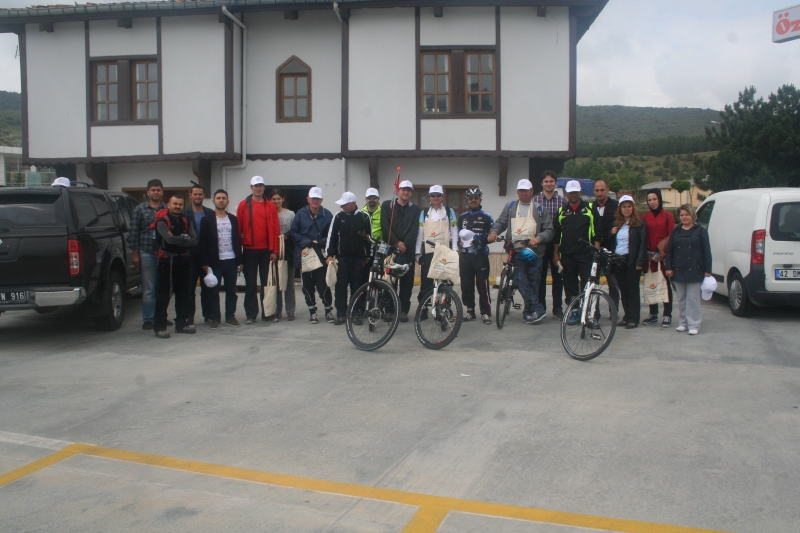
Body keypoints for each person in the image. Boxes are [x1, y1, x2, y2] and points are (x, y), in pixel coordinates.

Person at [488, 179, 554, 324]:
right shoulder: (511, 207)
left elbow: (549, 230)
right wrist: (494, 232)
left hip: (535, 251)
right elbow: (501, 222)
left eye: (526, 190)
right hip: (516, 250)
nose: (523, 193)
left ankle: (529, 312)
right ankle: (537, 307)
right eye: (520, 190)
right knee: (519, 279)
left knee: (534, 282)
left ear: (532, 191)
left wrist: (539, 238)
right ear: (517, 192)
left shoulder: (540, 209)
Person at [553, 180, 603, 326]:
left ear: (580, 192)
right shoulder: (562, 211)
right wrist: (556, 254)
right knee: (570, 285)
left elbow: (597, 232)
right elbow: (557, 235)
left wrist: (597, 252)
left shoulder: (590, 209)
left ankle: (592, 314)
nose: (573, 195)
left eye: (576, 192)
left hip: (586, 254)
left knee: (589, 284)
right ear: (566, 194)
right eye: (570, 192)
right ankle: (574, 311)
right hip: (567, 255)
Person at [236, 176, 280, 325]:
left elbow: (275, 229)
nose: (258, 188)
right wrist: (239, 253)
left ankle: (267, 313)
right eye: (256, 186)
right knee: (250, 284)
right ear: (251, 188)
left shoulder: (270, 206)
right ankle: (251, 314)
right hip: (249, 250)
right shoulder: (243, 205)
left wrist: (274, 251)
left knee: (267, 284)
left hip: (266, 251)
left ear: (264, 187)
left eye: (260, 185)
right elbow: (238, 228)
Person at [153, 196, 197, 338]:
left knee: (184, 295)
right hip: (167, 263)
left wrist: (177, 240)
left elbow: (194, 241)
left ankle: (181, 324)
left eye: (180, 204)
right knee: (163, 296)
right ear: (168, 204)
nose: (177, 206)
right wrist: (184, 238)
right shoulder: (162, 221)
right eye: (175, 204)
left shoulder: (186, 221)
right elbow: (168, 239)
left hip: (183, 262)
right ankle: (159, 326)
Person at [288, 187, 334, 324]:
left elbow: (332, 235)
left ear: (321, 200)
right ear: (308, 199)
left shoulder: (327, 215)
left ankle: (328, 309)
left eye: (318, 199)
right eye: (313, 198)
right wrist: (307, 242)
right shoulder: (300, 214)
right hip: (305, 255)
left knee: (323, 284)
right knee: (307, 285)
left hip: (320, 255)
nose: (315, 201)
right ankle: (312, 311)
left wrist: (322, 242)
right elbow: (293, 233)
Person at [326, 192, 372, 325]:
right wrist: (329, 254)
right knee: (341, 286)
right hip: (342, 258)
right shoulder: (338, 216)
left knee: (357, 287)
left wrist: (368, 255)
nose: (341, 206)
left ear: (352, 204)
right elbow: (332, 236)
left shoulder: (364, 217)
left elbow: (369, 237)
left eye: (344, 204)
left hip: (359, 259)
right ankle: (341, 313)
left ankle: (356, 313)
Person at [665, 204, 712, 335]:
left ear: (693, 215)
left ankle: (694, 324)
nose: (684, 217)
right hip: (678, 268)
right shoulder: (676, 231)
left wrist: (707, 270)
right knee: (681, 298)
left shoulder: (701, 231)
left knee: (693, 299)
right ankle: (683, 323)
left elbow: (707, 251)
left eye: (687, 214)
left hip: (695, 269)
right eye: (682, 215)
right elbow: (670, 251)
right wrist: (668, 267)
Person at [199, 189, 242, 329]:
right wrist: (205, 263)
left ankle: (230, 317)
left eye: (223, 198)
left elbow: (237, 240)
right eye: (218, 198)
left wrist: (239, 260)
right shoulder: (207, 220)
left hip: (231, 260)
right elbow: (202, 242)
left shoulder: (233, 219)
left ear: (227, 201)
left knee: (231, 291)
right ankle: (215, 318)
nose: (221, 200)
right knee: (213, 291)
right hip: (214, 262)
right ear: (214, 201)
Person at [380, 180, 421, 322]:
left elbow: (414, 229)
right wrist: (396, 242)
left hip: (407, 251)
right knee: (390, 281)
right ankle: (390, 310)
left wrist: (404, 244)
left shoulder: (415, 209)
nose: (406, 192)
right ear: (398, 190)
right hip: (391, 249)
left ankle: (403, 310)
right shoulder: (387, 205)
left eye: (409, 190)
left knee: (406, 282)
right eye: (403, 189)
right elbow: (385, 227)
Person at [415, 185, 458, 318]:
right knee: (426, 283)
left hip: (445, 251)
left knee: (445, 281)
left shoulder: (449, 212)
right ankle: (423, 309)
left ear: (442, 197)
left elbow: (454, 231)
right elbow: (420, 234)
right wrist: (417, 252)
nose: (435, 198)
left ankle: (444, 308)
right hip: (428, 252)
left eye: (438, 195)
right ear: (429, 198)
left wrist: (455, 249)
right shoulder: (424, 213)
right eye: (433, 195)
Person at [130, 179, 167, 330]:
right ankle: (148, 319)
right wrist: (136, 254)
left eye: (158, 190)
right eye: (153, 190)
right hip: (147, 252)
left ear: (162, 192)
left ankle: (160, 317)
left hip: (164, 253)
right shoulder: (139, 209)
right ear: (148, 192)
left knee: (163, 288)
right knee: (149, 288)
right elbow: (134, 233)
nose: (156, 192)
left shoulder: (167, 208)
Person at [533, 171, 568, 320]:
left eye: (551, 181)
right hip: (539, 244)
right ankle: (541, 306)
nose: (548, 184)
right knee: (539, 278)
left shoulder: (562, 202)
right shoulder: (535, 201)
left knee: (558, 278)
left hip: (557, 245)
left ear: (555, 183)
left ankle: (558, 308)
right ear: (542, 183)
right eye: (546, 181)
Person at [608, 195, 647, 329]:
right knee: (623, 291)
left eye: (629, 206)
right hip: (619, 260)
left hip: (631, 260)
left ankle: (634, 318)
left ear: (633, 208)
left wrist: (639, 262)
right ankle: (626, 316)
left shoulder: (639, 224)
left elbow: (642, 245)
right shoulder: (616, 224)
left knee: (633, 290)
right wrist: (611, 233)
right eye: (624, 207)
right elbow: (611, 243)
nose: (626, 209)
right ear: (620, 209)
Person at [457, 187, 494, 324]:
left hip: (480, 256)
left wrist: (480, 241)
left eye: (476, 198)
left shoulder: (487, 217)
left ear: (480, 200)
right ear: (467, 200)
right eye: (471, 198)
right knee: (466, 285)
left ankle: (485, 313)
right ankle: (470, 311)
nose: (473, 200)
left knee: (482, 285)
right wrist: (458, 243)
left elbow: (492, 236)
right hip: (465, 256)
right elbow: (457, 236)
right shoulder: (462, 217)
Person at [641, 188, 675, 327]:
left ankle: (667, 314)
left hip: (663, 257)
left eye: (654, 199)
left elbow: (671, 237)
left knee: (665, 284)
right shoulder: (644, 217)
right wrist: (647, 254)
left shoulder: (668, 216)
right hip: (650, 258)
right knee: (652, 284)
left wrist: (664, 253)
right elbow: (643, 237)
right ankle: (653, 313)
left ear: (659, 199)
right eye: (649, 200)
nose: (652, 202)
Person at [183, 183, 213, 325]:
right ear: (190, 195)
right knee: (189, 289)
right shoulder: (184, 213)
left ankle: (208, 315)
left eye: (200, 194)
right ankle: (189, 316)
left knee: (207, 289)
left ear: (204, 196)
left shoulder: (209, 213)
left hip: (206, 255)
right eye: (195, 194)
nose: (197, 196)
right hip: (190, 256)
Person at [592, 179, 620, 310]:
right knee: (593, 282)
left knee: (613, 282)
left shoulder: (616, 206)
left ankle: (613, 310)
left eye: (602, 190)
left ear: (607, 190)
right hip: (594, 250)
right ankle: (593, 310)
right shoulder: (590, 207)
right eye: (597, 190)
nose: (599, 193)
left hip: (611, 249)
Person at [269, 189, 296, 321]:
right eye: (273, 199)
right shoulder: (268, 213)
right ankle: (277, 310)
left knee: (289, 282)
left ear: (282, 199)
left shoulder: (290, 214)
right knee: (277, 282)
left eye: (278, 198)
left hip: (288, 251)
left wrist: (286, 237)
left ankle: (290, 310)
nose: (276, 201)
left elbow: (295, 230)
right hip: (274, 251)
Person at [360, 187, 382, 286]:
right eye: (369, 198)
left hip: (380, 248)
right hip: (365, 249)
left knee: (381, 276)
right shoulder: (361, 213)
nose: (372, 200)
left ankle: (381, 299)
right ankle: (365, 299)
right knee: (364, 276)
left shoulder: (384, 213)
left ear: (378, 199)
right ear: (366, 199)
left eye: (374, 198)